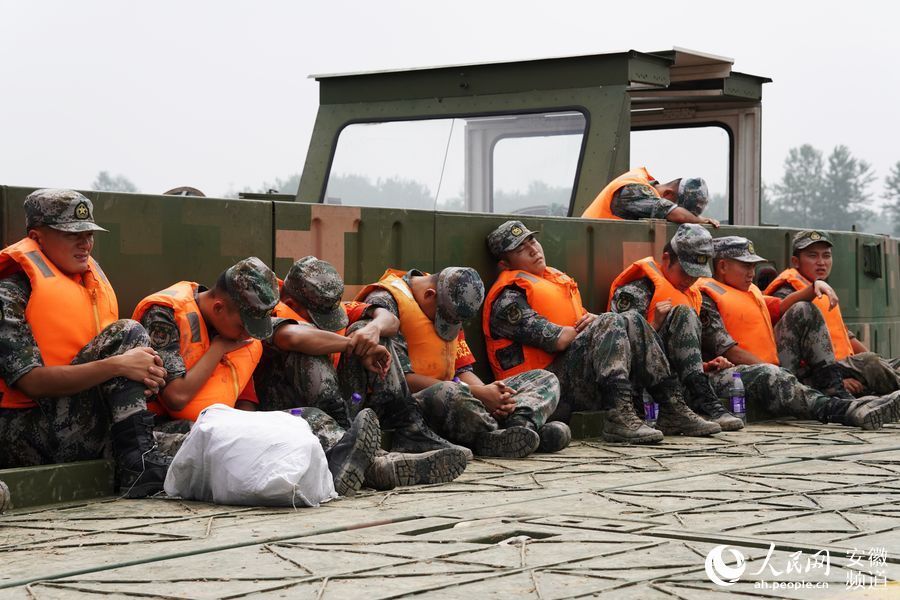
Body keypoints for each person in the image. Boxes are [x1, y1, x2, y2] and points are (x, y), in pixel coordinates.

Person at [133, 257, 380, 497]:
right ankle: (371, 468)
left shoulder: (235, 331)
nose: (247, 334)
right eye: (244, 326)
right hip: (166, 430)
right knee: (224, 444)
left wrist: (251, 429)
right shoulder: (164, 314)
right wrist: (217, 349)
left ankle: (351, 461)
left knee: (306, 419)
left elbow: (245, 397)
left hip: (224, 423)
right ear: (219, 308)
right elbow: (176, 397)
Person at [483, 220, 721, 444]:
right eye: (521, 249)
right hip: (541, 391)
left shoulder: (555, 281)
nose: (533, 250)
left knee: (630, 319)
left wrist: (600, 322)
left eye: (532, 241)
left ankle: (672, 407)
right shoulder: (508, 300)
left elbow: (580, 328)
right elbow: (559, 339)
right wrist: (601, 324)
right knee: (612, 321)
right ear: (505, 264)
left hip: (575, 380)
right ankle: (619, 415)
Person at [0, 189, 170, 497]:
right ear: (37, 237)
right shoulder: (9, 294)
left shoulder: (87, 285)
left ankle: (141, 462)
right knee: (128, 332)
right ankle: (139, 467)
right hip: (25, 432)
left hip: (75, 420)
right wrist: (119, 365)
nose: (85, 243)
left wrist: (143, 374)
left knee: (192, 438)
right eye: (71, 234)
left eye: (89, 234)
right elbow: (31, 382)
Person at [256, 256, 468, 490]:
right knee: (311, 349)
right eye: (320, 318)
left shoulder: (328, 304)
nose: (329, 323)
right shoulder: (268, 312)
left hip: (343, 409)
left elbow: (390, 320)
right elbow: (292, 337)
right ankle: (369, 462)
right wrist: (351, 344)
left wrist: (371, 333)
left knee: (365, 329)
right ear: (292, 304)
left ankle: (407, 428)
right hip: (292, 414)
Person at [357, 265, 570, 458]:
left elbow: (462, 370)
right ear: (430, 295)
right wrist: (478, 394)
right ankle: (506, 433)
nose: (449, 327)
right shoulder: (387, 301)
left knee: (545, 379)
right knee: (450, 393)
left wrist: (494, 395)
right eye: (445, 320)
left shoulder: (452, 301)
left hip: (460, 395)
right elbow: (400, 379)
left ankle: (517, 427)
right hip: (411, 405)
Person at [698, 236, 897, 429]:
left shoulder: (751, 292)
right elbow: (729, 351)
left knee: (804, 309)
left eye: (753, 266)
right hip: (736, 375)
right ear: (723, 266)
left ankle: (835, 390)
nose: (752, 272)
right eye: (745, 266)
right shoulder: (707, 298)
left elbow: (784, 307)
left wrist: (813, 287)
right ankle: (847, 411)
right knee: (771, 374)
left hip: (775, 369)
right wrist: (779, 372)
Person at [608, 224, 744, 430]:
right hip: (641, 389)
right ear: (666, 259)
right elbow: (618, 348)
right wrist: (655, 324)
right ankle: (698, 403)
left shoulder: (692, 295)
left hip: (677, 387)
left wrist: (704, 364)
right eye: (685, 271)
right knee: (683, 313)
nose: (690, 279)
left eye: (696, 274)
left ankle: (702, 401)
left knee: (684, 313)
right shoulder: (635, 293)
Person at [764, 230, 900, 396]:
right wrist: (835, 380)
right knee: (871, 363)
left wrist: (880, 363)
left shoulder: (822, 291)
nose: (821, 262)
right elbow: (789, 349)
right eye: (813, 256)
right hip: (818, 373)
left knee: (882, 363)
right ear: (795, 261)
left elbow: (847, 337)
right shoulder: (788, 293)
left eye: (826, 256)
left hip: (844, 365)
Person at [581, 167, 720, 227]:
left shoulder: (645, 189)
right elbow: (679, 216)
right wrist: (701, 220)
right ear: (668, 194)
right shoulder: (633, 188)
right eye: (681, 208)